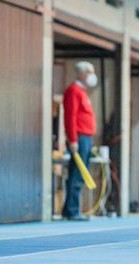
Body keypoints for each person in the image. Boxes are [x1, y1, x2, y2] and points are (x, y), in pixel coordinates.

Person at [62, 61, 98, 221]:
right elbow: (70, 116)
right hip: (80, 138)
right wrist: (73, 139)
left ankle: (69, 209)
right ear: (81, 73)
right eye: (90, 72)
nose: (92, 76)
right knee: (77, 173)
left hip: (86, 137)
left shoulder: (82, 92)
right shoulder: (73, 91)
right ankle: (72, 209)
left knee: (79, 173)